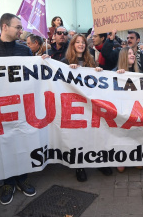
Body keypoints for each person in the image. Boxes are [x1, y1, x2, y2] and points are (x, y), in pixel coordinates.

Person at [0, 13, 35, 205]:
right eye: (18, 27)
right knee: (4, 144)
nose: (21, 30)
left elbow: (34, 76)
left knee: (22, 141)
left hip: (21, 107)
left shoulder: (25, 51)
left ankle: (22, 177)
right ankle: (8, 182)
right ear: (4, 27)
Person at [58, 34, 112, 182]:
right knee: (78, 137)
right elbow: (59, 81)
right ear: (73, 45)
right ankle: (79, 166)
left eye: (83, 42)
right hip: (74, 106)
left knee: (94, 134)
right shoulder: (65, 61)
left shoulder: (90, 61)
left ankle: (98, 161)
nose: (81, 45)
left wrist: (99, 71)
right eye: (78, 42)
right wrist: (69, 69)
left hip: (90, 105)